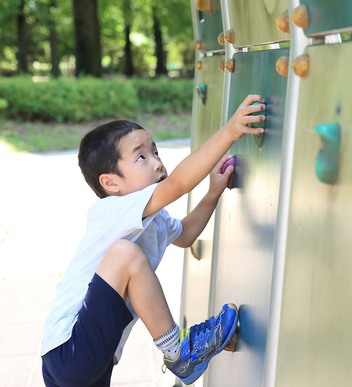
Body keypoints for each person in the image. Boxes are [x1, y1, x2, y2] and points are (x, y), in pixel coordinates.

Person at [41, 94, 266, 386]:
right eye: (141, 157)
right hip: (68, 349)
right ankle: (177, 351)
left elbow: (184, 235)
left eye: (156, 152)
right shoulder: (113, 210)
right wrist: (230, 131)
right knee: (125, 254)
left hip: (94, 361)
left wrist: (212, 194)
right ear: (111, 183)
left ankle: (178, 352)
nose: (157, 163)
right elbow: (178, 185)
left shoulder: (154, 219)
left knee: (128, 254)